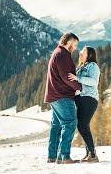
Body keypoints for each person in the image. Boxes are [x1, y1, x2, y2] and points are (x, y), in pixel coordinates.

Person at [44, 32, 82, 164]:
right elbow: (67, 77)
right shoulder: (63, 55)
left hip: (54, 95)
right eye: (75, 45)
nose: (76, 48)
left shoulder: (57, 52)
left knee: (57, 126)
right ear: (69, 42)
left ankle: (52, 156)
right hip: (62, 96)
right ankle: (64, 156)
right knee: (70, 122)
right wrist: (80, 86)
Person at [68, 46, 100, 163]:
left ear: (89, 55)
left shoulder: (93, 66)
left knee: (82, 125)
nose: (80, 53)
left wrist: (78, 78)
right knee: (82, 125)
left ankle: (92, 154)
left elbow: (93, 82)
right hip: (80, 98)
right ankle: (89, 154)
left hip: (89, 98)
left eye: (83, 52)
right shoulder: (80, 67)